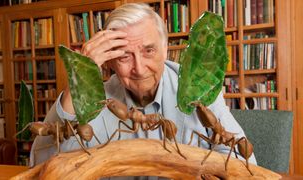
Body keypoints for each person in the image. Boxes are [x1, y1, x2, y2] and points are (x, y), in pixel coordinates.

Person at [30, 2, 256, 177]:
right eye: (124, 56)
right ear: (109, 62)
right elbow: (42, 166)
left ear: (166, 49)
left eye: (149, 51)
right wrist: (78, 80)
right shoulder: (96, 99)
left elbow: (242, 162)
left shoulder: (198, 87)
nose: (139, 69)